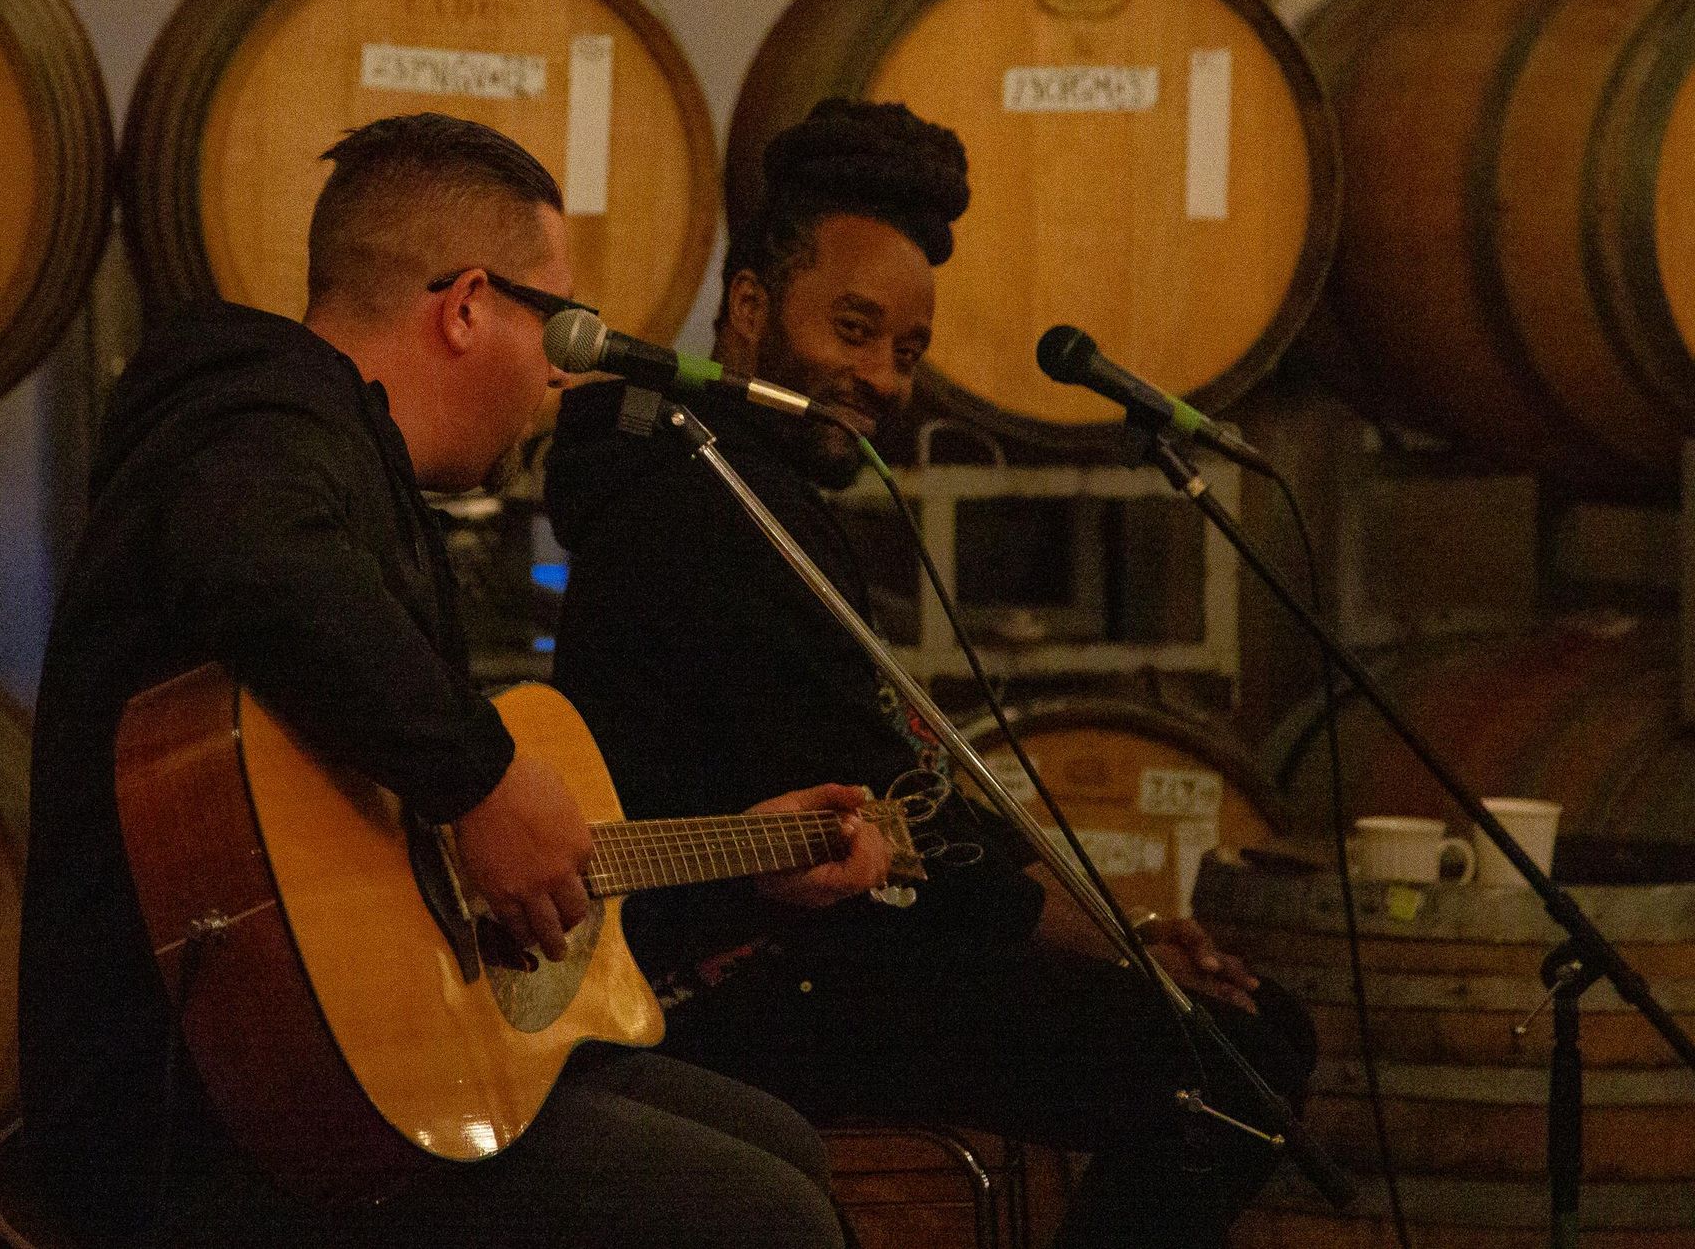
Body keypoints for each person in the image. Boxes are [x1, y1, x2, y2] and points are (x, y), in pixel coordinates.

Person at [19, 113, 874, 1248]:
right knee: (762, 1217)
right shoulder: (254, 416)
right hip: (206, 1115)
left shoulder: (352, 475)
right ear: (466, 305)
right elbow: (250, 558)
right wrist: (482, 780)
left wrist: (738, 859)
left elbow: (409, 874)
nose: (566, 370)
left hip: (332, 1080)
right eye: (555, 321)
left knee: (777, 1148)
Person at [547, 99, 1319, 1249]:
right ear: (749, 309)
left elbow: (899, 774)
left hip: (825, 944)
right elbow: (898, 810)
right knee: (1234, 1059)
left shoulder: (742, 483)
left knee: (1226, 1035)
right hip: (734, 979)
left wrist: (1121, 930)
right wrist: (1115, 942)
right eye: (852, 329)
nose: (880, 376)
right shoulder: (699, 499)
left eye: (905, 349)